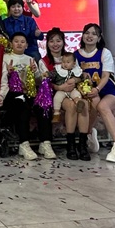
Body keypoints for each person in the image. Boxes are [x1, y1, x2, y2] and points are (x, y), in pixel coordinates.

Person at [75, 23, 115, 162]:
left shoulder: (104, 53)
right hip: (88, 91)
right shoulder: (76, 55)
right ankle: (89, 134)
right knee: (93, 103)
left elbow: (105, 76)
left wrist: (97, 89)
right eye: (87, 33)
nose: (90, 36)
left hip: (108, 90)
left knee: (103, 106)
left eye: (94, 34)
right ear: (82, 36)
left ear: (99, 38)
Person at [2, 32, 55, 160]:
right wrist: (8, 73)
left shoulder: (30, 59)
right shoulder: (4, 58)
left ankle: (45, 142)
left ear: (26, 45)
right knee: (22, 105)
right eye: (16, 41)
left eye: (22, 42)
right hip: (12, 95)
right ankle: (24, 143)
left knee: (43, 105)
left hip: (29, 93)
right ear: (11, 44)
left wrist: (35, 71)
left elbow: (38, 81)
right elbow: (0, 81)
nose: (19, 44)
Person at [38, 27, 85, 160]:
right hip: (54, 93)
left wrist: (75, 80)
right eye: (52, 41)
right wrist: (59, 87)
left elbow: (79, 75)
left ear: (63, 42)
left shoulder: (71, 58)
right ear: (47, 44)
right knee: (70, 105)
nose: (55, 44)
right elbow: (45, 82)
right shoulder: (44, 62)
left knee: (83, 104)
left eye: (58, 41)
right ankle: (70, 145)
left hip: (73, 90)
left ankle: (83, 144)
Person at [49, 51, 83, 125]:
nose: (65, 64)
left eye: (68, 62)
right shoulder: (58, 70)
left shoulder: (76, 70)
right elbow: (51, 75)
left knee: (77, 94)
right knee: (57, 98)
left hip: (72, 89)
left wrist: (75, 80)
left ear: (74, 63)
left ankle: (79, 103)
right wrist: (47, 74)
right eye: (63, 62)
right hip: (61, 90)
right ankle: (56, 114)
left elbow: (81, 78)